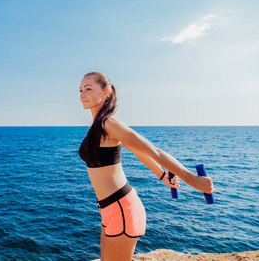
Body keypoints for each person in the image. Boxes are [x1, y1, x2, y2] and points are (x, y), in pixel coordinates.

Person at [78, 72, 215, 260]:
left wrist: (193, 180)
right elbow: (136, 151)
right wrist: (161, 175)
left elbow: (153, 151)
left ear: (105, 92)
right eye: (80, 90)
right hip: (109, 209)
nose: (82, 94)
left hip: (121, 209)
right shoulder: (96, 126)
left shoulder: (109, 123)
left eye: (88, 89)